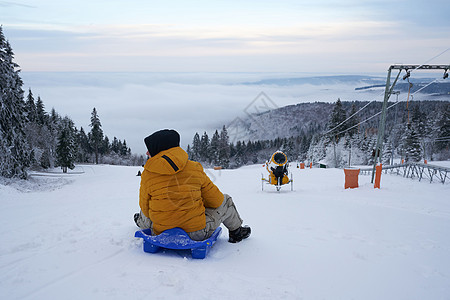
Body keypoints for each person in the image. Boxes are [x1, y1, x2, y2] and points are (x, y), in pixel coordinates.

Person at [134, 129, 251, 243]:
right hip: (197, 234)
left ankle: (140, 221)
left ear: (159, 149)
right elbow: (217, 201)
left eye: (149, 149)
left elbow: (145, 208)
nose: (147, 153)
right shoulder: (194, 168)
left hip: (160, 232)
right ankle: (236, 232)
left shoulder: (147, 174)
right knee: (226, 200)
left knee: (146, 208)